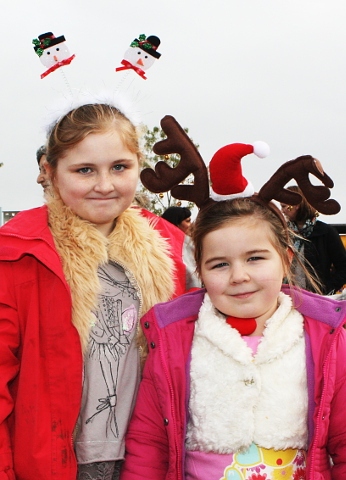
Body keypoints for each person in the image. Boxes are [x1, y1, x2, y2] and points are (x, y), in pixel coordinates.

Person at [121, 123, 346, 480]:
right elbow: (149, 443)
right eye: (220, 264)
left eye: (255, 258)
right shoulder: (172, 339)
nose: (239, 276)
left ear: (285, 259)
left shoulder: (325, 339)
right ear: (200, 269)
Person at [0, 95, 183, 480]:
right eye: (84, 170)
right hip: (51, 460)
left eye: (120, 167)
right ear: (50, 172)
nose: (104, 185)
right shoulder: (17, 253)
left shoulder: (170, 247)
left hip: (149, 457)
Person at [280, 184, 346, 294]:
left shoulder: (326, 232)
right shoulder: (283, 233)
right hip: (287, 296)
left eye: (284, 206)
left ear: (297, 205)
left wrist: (326, 289)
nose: (282, 211)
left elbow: (343, 268)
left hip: (316, 299)